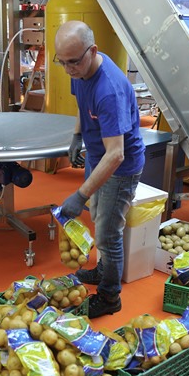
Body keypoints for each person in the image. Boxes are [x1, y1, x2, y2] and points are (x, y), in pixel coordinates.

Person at [56, 21, 145, 319]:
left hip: (120, 168)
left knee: (108, 233)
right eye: (62, 62)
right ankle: (104, 269)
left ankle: (109, 296)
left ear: (92, 51)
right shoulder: (80, 69)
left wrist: (80, 195)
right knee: (99, 218)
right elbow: (82, 105)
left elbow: (116, 154)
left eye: (73, 62)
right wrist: (77, 135)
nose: (68, 69)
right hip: (98, 157)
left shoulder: (109, 90)